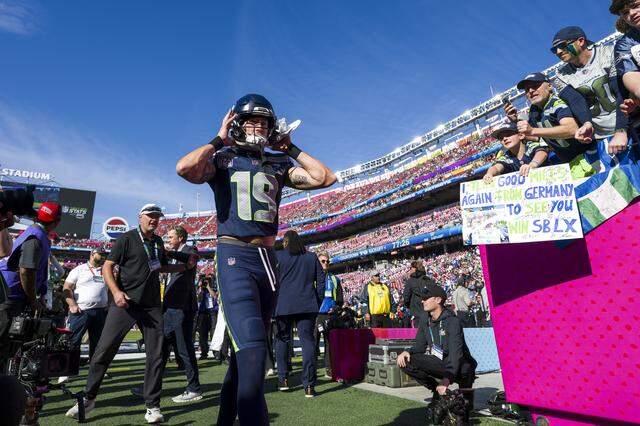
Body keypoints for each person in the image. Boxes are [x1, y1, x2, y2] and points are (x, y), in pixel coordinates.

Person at [176, 93, 336, 425]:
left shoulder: (278, 162)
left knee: (243, 358)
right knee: (252, 353)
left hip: (268, 262)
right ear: (235, 124)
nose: (257, 127)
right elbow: (185, 167)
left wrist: (289, 147)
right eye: (250, 120)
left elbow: (325, 177)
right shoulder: (223, 158)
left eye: (263, 121)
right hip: (235, 255)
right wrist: (218, 140)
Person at [65, 204, 197, 424]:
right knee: (103, 350)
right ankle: (89, 399)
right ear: (140, 217)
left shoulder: (156, 242)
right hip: (125, 303)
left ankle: (153, 406)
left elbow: (160, 267)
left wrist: (184, 268)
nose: (154, 219)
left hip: (152, 306)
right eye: (151, 216)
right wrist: (116, 292)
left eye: (157, 216)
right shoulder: (126, 238)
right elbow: (108, 266)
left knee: (155, 355)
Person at [396, 282, 477, 421]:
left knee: (463, 413)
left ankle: (463, 394)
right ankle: (436, 390)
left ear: (438, 300)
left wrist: (447, 380)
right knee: (406, 361)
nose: (422, 301)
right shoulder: (424, 319)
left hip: (461, 366)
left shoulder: (452, 321)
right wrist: (407, 351)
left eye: (426, 298)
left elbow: (456, 354)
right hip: (441, 362)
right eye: (422, 298)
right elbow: (419, 346)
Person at [549, 26, 631, 157]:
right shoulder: (561, 75)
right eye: (554, 50)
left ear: (581, 41)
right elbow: (576, 101)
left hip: (630, 123)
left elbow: (621, 90)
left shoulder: (608, 53)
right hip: (601, 136)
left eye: (563, 45)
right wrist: (587, 123)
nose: (558, 51)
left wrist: (621, 130)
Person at [513, 72, 596, 177]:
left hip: (591, 156)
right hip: (571, 164)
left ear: (549, 86)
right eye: (526, 89)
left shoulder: (556, 102)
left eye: (535, 86)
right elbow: (539, 140)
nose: (531, 91)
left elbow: (571, 129)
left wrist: (533, 130)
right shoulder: (534, 111)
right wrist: (515, 120)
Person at [273, 230, 325, 397]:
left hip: (283, 306)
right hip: (307, 305)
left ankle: (283, 379)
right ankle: (309, 385)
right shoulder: (311, 257)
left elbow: (271, 282)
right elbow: (321, 280)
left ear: (286, 242)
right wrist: (317, 300)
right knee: (307, 342)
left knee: (282, 341)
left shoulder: (278, 256)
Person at [160, 226, 202, 403]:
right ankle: (152, 385)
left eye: (171, 237)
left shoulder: (189, 249)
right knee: (160, 348)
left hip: (182, 307)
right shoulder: (176, 252)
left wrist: (169, 253)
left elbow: (192, 259)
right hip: (170, 307)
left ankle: (194, 388)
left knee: (184, 348)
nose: (168, 240)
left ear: (181, 238)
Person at [0, 202, 61, 321]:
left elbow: (41, 271)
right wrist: (33, 300)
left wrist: (42, 295)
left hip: (12, 292)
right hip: (10, 294)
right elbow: (26, 272)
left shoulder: (38, 234)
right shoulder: (35, 237)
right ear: (57, 222)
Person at [58, 247, 109, 384]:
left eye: (105, 254)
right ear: (92, 254)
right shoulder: (79, 269)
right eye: (101, 254)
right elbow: (67, 288)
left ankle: (96, 371)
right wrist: (72, 304)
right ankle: (66, 371)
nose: (103, 256)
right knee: (73, 341)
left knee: (98, 344)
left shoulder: (106, 270)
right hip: (81, 311)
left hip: (100, 312)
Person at [483, 122, 549, 183]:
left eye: (508, 135)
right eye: (501, 138)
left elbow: (542, 152)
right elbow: (496, 167)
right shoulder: (506, 157)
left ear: (521, 135)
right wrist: (489, 173)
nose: (504, 139)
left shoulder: (530, 145)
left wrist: (532, 165)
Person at [315, 252, 343, 378]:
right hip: (315, 316)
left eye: (327, 261)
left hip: (329, 316)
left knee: (329, 343)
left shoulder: (334, 279)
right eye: (322, 261)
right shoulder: (311, 277)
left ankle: (329, 369)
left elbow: (340, 299)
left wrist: (336, 308)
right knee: (312, 343)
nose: (325, 263)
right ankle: (312, 369)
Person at [403, 260, 435, 328]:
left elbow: (406, 297)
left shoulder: (410, 281)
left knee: (419, 333)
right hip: (429, 310)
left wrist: (409, 306)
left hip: (416, 311)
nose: (410, 270)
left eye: (411, 268)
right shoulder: (428, 279)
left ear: (415, 268)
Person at [196, 275, 218, 360]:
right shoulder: (201, 290)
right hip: (203, 313)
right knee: (202, 335)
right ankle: (204, 353)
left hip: (212, 312)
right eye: (206, 280)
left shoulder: (214, 288)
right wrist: (200, 286)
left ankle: (216, 353)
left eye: (208, 280)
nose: (206, 282)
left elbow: (215, 296)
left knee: (213, 333)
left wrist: (208, 287)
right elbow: (197, 297)